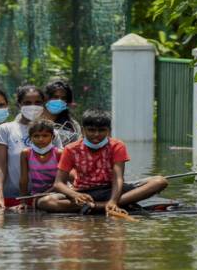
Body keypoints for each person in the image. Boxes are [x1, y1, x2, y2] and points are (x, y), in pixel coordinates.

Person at [38, 109, 169, 214]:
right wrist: (74, 194)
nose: (96, 135)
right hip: (84, 193)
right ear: (83, 130)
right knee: (45, 202)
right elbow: (59, 183)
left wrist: (113, 199)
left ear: (109, 131)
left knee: (159, 181)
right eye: (91, 130)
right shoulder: (71, 149)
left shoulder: (117, 145)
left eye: (101, 130)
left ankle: (102, 206)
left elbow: (118, 178)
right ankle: (106, 205)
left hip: (111, 189)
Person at [0, 85, 62, 209]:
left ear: (44, 104)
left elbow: (61, 167)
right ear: (19, 104)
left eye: (37, 102)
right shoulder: (5, 130)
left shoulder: (53, 132)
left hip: (46, 198)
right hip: (13, 197)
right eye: (27, 103)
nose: (32, 106)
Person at [18, 119, 62, 207]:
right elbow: (24, 179)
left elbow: (62, 181)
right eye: (36, 136)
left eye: (45, 135)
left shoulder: (59, 153)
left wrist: (45, 194)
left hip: (58, 192)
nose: (41, 139)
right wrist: (23, 202)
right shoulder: (26, 153)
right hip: (36, 194)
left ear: (52, 137)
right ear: (30, 138)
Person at [43, 79, 81, 145]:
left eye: (63, 98)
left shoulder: (73, 125)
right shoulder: (33, 120)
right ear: (46, 98)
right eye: (55, 97)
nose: (59, 100)